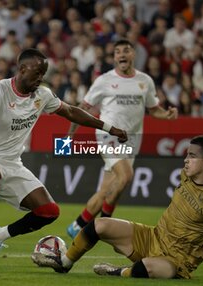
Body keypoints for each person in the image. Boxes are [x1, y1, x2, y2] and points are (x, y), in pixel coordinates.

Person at [0, 48, 128, 267]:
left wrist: (109, 128)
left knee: (49, 212)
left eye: (43, 74)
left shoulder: (42, 95)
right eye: (37, 73)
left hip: (13, 163)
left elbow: (72, 112)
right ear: (22, 68)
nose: (40, 78)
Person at [32, 135, 203, 282]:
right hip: (152, 237)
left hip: (176, 261)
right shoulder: (186, 176)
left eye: (192, 156)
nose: (185, 160)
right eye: (187, 154)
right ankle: (64, 263)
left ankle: (117, 272)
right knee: (98, 225)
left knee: (148, 268)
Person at [66, 39, 178, 238]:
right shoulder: (104, 80)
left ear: (133, 55)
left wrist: (167, 114)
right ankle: (105, 226)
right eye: (117, 52)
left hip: (132, 140)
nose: (121, 55)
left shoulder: (145, 81)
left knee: (107, 191)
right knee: (126, 176)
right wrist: (69, 135)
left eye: (126, 50)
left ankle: (77, 226)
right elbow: (82, 109)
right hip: (108, 134)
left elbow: (154, 110)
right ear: (115, 58)